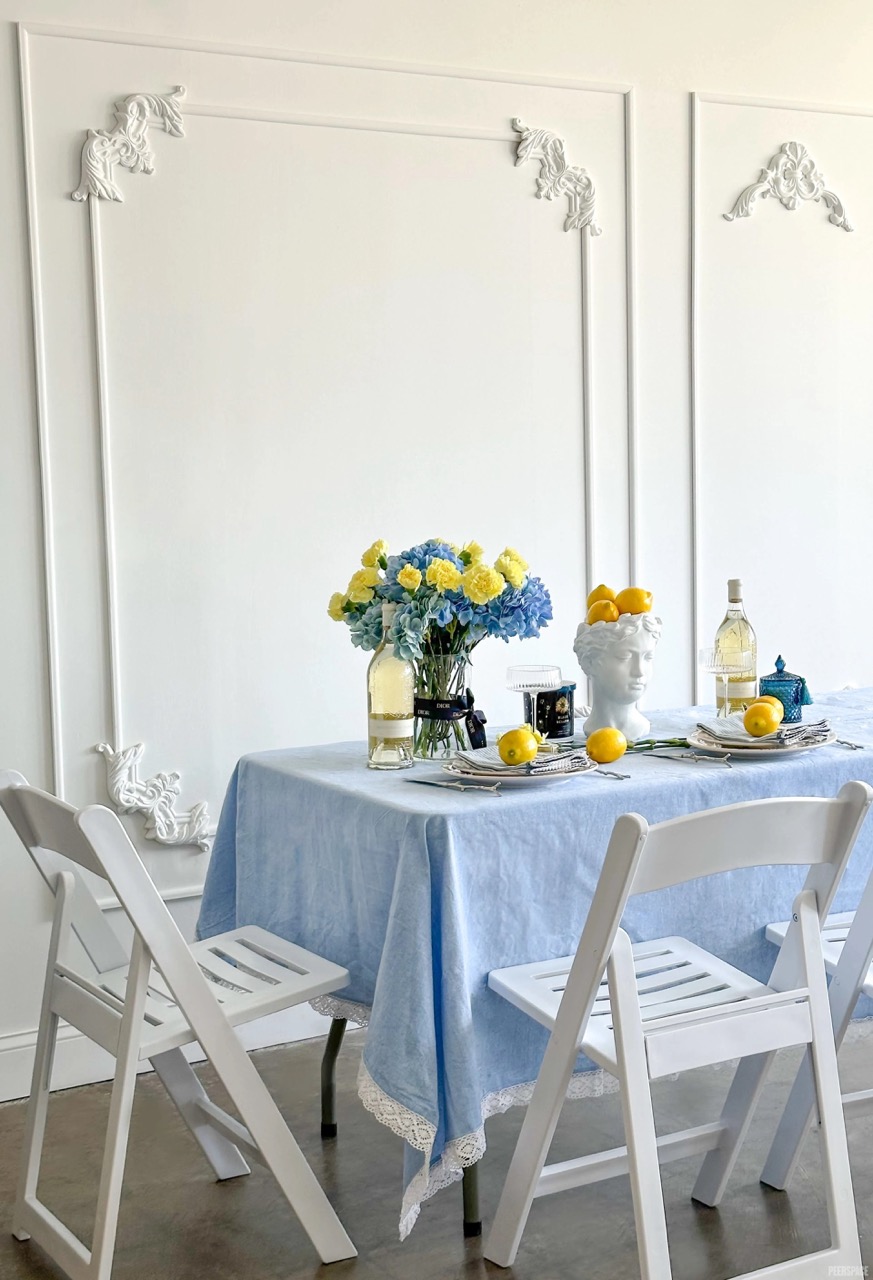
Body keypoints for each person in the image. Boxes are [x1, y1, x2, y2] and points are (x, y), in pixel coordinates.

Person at [574, 611, 662, 740]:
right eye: (624, 657)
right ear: (589, 662)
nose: (639, 671)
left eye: (648, 657)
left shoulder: (641, 727)